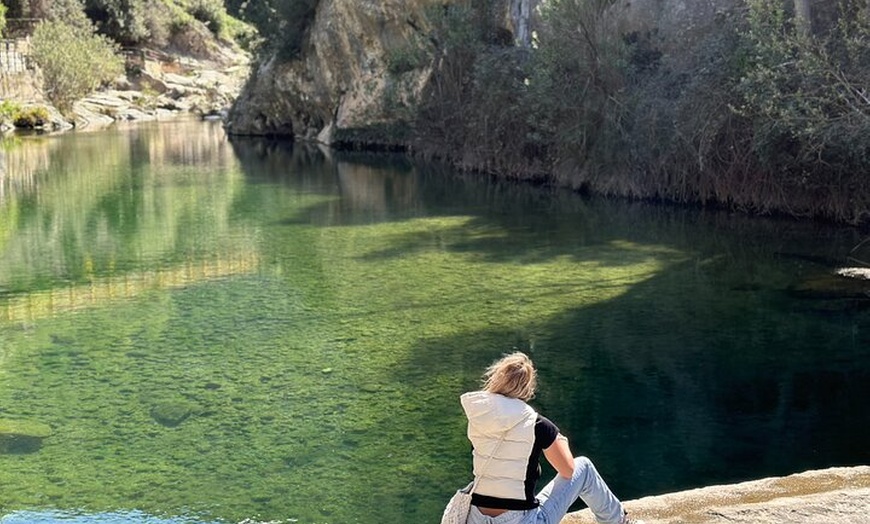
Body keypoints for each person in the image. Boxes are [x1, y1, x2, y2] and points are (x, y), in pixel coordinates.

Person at [459, 352, 643, 524]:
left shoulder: (478, 418)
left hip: (475, 518)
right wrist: (562, 441)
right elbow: (567, 470)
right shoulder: (537, 424)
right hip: (517, 519)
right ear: (527, 388)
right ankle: (619, 521)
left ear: (496, 379)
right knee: (583, 467)